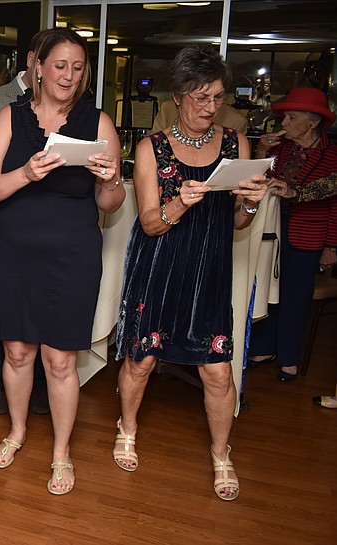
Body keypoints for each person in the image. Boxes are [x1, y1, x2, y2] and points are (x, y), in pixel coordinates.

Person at [114, 46, 268, 502]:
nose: (209, 107)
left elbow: (239, 221)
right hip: (159, 268)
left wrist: (252, 201)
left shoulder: (236, 144)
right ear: (178, 96)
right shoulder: (151, 149)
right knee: (141, 360)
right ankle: (127, 427)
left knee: (217, 372)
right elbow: (148, 223)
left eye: (217, 97)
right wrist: (180, 201)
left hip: (209, 270)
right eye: (200, 98)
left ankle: (222, 455)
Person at [0, 28, 124, 496]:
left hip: (72, 258)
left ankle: (61, 453)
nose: (68, 76)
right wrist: (24, 173)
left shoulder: (98, 123)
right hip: (14, 253)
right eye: (60, 66)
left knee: (61, 360)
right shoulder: (9, 116)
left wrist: (110, 179)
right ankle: (18, 432)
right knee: (17, 352)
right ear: (37, 66)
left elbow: (111, 203)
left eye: (78, 68)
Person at [0, 30, 48, 416]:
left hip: (47, 226)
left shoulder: (69, 106)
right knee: (2, 311)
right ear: (34, 60)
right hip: (4, 216)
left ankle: (34, 388)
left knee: (41, 311)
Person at [248, 87, 337, 381]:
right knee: (267, 290)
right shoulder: (279, 148)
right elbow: (256, 176)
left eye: (292, 117)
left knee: (294, 297)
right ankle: (264, 347)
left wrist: (331, 245)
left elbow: (333, 198)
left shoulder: (332, 154)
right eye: (284, 117)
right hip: (271, 229)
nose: (284, 123)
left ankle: (288, 356)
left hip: (307, 234)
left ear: (312, 122)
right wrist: (260, 151)